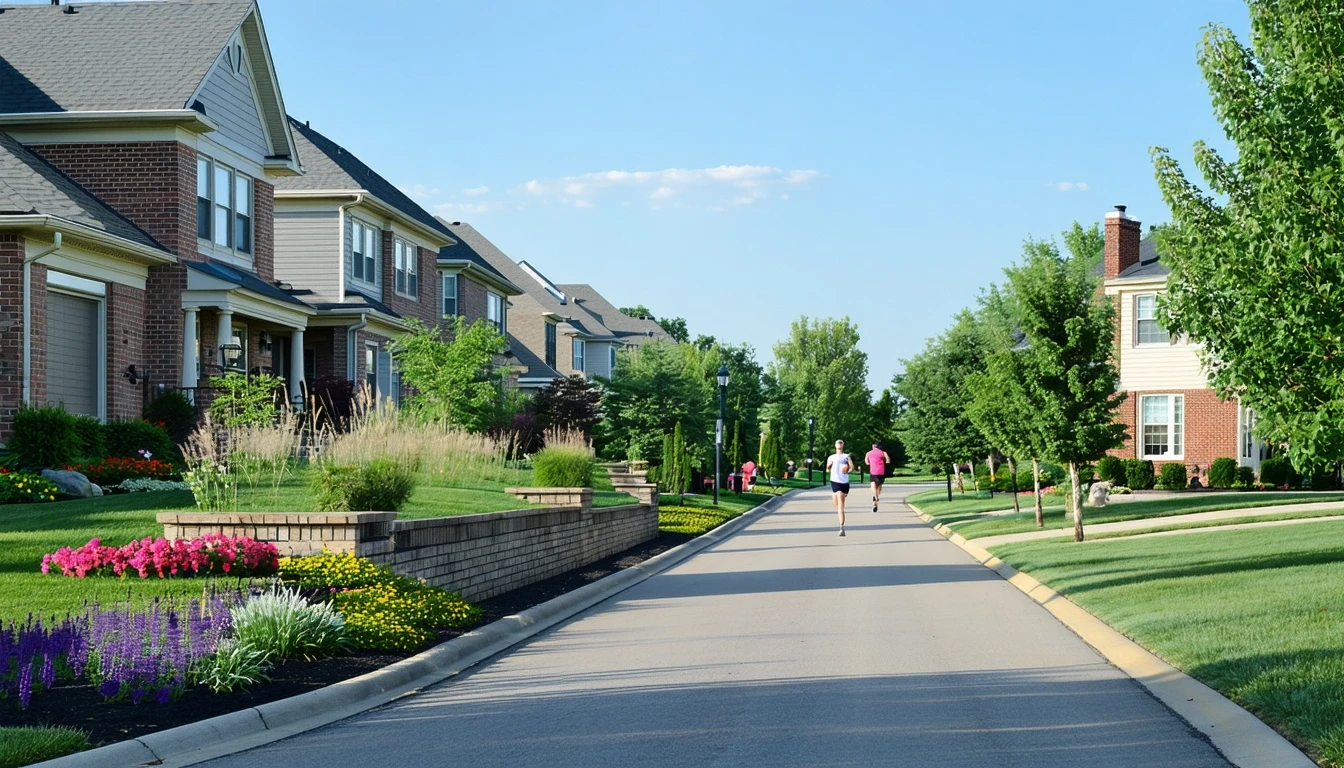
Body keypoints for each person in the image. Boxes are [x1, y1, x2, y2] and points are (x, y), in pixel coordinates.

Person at [825, 439, 853, 537]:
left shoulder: (846, 456)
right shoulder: (831, 457)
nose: (840, 444)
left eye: (841, 442)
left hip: (844, 482)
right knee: (838, 505)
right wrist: (829, 466)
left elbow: (852, 467)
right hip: (835, 481)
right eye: (838, 442)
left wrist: (848, 468)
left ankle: (841, 527)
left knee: (840, 505)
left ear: (843, 445)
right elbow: (827, 468)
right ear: (835, 445)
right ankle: (841, 525)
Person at [866, 443, 891, 512]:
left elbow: (867, 462)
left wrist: (872, 462)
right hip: (881, 471)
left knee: (873, 485)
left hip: (873, 471)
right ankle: (876, 499)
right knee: (879, 486)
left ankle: (875, 497)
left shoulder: (868, 453)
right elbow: (888, 461)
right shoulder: (883, 453)